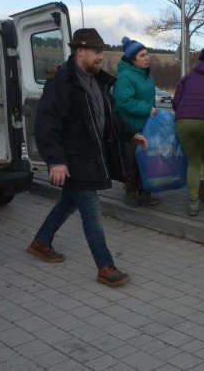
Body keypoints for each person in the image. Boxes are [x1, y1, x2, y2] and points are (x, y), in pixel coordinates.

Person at [27, 28, 146, 287]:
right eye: (96, 52)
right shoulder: (62, 83)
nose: (101, 57)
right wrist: (56, 161)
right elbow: (47, 124)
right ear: (80, 51)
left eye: (101, 52)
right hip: (74, 160)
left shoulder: (96, 81)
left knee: (68, 203)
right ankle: (105, 267)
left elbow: (110, 117)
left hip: (90, 159)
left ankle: (41, 242)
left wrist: (132, 133)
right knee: (92, 213)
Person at [172, 48, 204, 216]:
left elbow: (176, 101)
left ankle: (193, 204)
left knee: (193, 162)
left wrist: (184, 114)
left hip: (183, 121)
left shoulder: (187, 77)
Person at [112, 36, 159, 207]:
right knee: (131, 162)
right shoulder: (125, 76)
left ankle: (145, 193)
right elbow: (123, 102)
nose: (147, 58)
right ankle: (131, 193)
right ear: (132, 60)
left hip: (146, 126)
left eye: (147, 54)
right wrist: (148, 109)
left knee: (146, 161)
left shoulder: (146, 75)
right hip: (131, 127)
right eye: (142, 55)